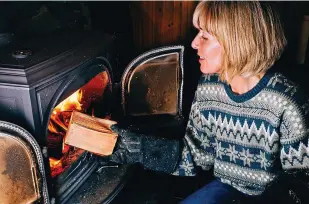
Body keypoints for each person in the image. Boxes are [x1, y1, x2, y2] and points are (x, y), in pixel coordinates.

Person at [101, 1, 309, 203]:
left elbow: (300, 185)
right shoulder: (209, 86)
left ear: (237, 41)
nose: (193, 43)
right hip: (224, 188)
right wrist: (140, 149)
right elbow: (196, 157)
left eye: (205, 37)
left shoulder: (287, 101)